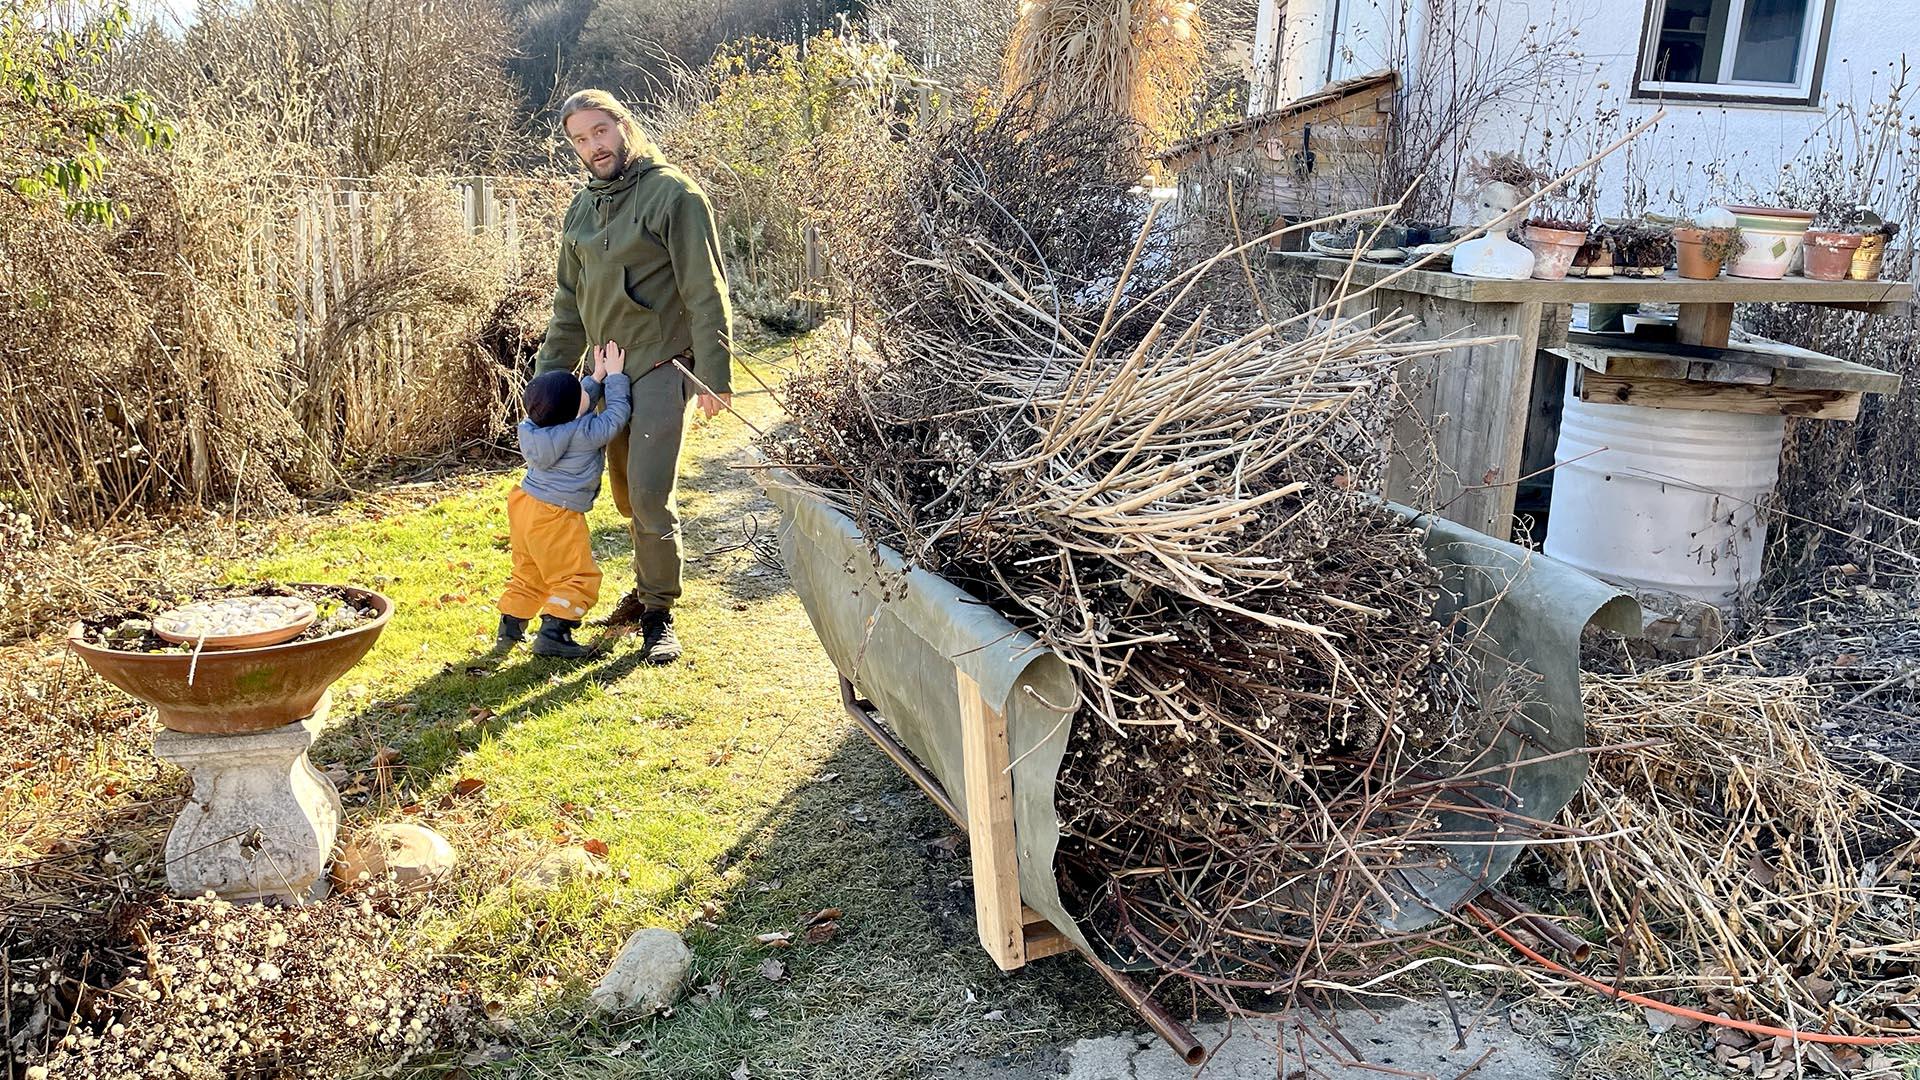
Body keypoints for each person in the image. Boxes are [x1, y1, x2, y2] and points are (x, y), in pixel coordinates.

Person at [532, 88, 734, 665]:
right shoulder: (581, 209)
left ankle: (658, 613)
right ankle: (645, 581)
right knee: (622, 493)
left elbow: (705, 288)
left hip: (662, 364)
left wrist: (714, 374)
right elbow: (569, 304)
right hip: (604, 372)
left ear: (624, 126)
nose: (593, 146)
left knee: (648, 491)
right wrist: (547, 384)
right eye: (580, 139)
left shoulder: (674, 194)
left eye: (601, 131)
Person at [487, 343, 632, 662]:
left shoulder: (535, 426)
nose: (585, 390)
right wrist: (616, 379)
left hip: (525, 503)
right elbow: (614, 418)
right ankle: (555, 633)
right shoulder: (585, 433)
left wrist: (596, 376)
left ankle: (510, 626)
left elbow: (574, 406)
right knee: (577, 575)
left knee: (530, 570)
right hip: (556, 513)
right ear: (574, 407)